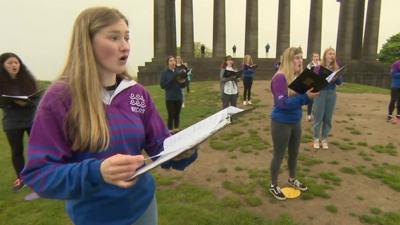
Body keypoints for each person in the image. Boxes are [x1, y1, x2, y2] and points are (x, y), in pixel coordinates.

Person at [21, 7, 197, 225]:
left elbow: (158, 145)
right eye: (114, 37)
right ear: (87, 43)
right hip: (95, 217)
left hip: (143, 207)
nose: (125, 46)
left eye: (127, 37)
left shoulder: (137, 93)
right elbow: (39, 175)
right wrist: (97, 172)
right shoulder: (59, 98)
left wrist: (182, 149)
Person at [269, 47, 319, 200]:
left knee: (294, 153)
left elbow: (303, 95)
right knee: (279, 154)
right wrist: (306, 97)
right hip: (281, 122)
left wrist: (316, 87)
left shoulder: (299, 76)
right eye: (297, 58)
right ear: (289, 60)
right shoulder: (279, 77)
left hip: (295, 121)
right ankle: (273, 185)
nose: (300, 60)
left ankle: (292, 179)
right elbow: (282, 103)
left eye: (301, 57)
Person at [0, 53, 40, 198]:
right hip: (11, 122)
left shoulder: (28, 79)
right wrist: (12, 102)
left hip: (30, 119)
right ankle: (22, 179)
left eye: (16, 62)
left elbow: (36, 98)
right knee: (17, 151)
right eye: (9, 63)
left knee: (37, 148)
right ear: (3, 66)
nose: (13, 65)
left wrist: (26, 102)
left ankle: (40, 174)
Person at [312, 47, 343, 150]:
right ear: (325, 55)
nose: (332, 55)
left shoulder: (336, 67)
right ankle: (316, 138)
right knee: (318, 117)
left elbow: (339, 83)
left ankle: (324, 139)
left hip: (332, 93)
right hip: (321, 93)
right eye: (330, 53)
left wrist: (336, 76)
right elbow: (314, 81)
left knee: (328, 118)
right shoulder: (318, 68)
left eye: (333, 54)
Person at [161, 56, 186, 132]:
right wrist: (172, 79)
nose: (173, 62)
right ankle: (170, 131)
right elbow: (163, 85)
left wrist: (183, 81)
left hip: (178, 97)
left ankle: (176, 129)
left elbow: (182, 85)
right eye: (171, 60)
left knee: (177, 115)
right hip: (170, 98)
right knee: (171, 115)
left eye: (174, 60)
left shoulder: (178, 71)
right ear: (168, 63)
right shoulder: (164, 73)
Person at [305, 52, 321, 122]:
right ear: (312, 58)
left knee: (318, 100)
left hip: (319, 84)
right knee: (311, 101)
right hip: (311, 84)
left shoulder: (321, 64)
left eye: (317, 56)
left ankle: (316, 115)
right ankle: (309, 115)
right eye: (314, 56)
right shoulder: (309, 65)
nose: (316, 58)